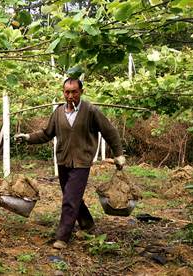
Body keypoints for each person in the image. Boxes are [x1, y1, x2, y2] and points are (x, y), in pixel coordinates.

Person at [14, 77, 125, 249]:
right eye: (67, 92)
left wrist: (119, 154)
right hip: (63, 161)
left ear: (81, 91)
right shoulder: (59, 112)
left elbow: (109, 131)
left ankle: (62, 237)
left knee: (69, 200)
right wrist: (28, 137)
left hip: (82, 162)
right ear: (63, 92)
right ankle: (88, 225)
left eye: (74, 92)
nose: (70, 95)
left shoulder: (90, 111)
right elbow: (46, 133)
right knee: (72, 197)